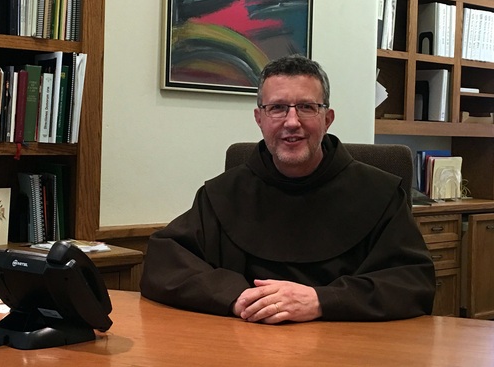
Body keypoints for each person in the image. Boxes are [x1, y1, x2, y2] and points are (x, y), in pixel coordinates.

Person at [140, 54, 435, 323]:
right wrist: (237, 297)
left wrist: (322, 300)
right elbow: (163, 264)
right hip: (240, 348)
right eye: (278, 108)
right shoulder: (222, 194)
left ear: (327, 119)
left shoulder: (380, 193)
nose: (292, 122)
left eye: (306, 107)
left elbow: (412, 282)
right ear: (259, 119)